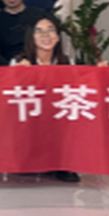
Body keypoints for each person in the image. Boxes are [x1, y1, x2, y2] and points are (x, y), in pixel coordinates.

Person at [10, 14, 80, 183]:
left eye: (50, 30)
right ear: (32, 37)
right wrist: (20, 76)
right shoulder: (19, 62)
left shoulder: (67, 63)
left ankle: (62, 163)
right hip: (30, 123)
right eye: (39, 31)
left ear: (57, 37)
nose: (46, 35)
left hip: (57, 121)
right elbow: (10, 100)